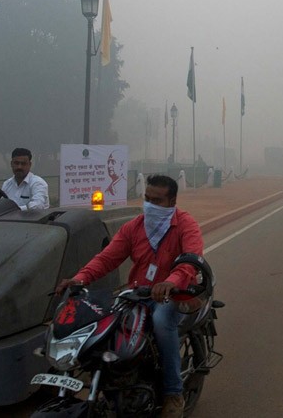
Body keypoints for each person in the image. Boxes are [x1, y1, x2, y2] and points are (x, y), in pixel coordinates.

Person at [55, 174, 204, 418]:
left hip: (176, 295)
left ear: (172, 201)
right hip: (138, 292)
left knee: (161, 323)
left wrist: (170, 282)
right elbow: (107, 258)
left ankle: (173, 393)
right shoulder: (134, 227)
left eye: (157, 200)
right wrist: (79, 278)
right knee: (108, 325)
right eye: (147, 199)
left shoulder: (186, 225)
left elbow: (190, 263)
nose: (150, 205)